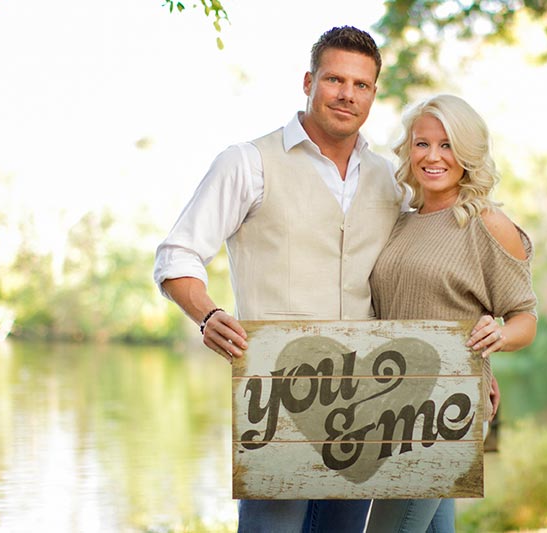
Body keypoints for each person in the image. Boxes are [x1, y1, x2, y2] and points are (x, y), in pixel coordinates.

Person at [153, 26, 403, 533]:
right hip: (278, 400)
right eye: (335, 79)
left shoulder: (392, 178)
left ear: (374, 94)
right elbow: (176, 257)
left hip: (365, 405)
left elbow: (430, 267)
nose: (346, 94)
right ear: (309, 81)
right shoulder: (247, 162)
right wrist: (209, 315)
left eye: (361, 85)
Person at [367, 94, 538, 533]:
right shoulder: (403, 221)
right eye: (422, 144)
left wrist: (495, 339)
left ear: (468, 154)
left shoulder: (486, 222)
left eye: (447, 145)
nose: (433, 156)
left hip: (446, 409)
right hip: (392, 409)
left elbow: (524, 317)